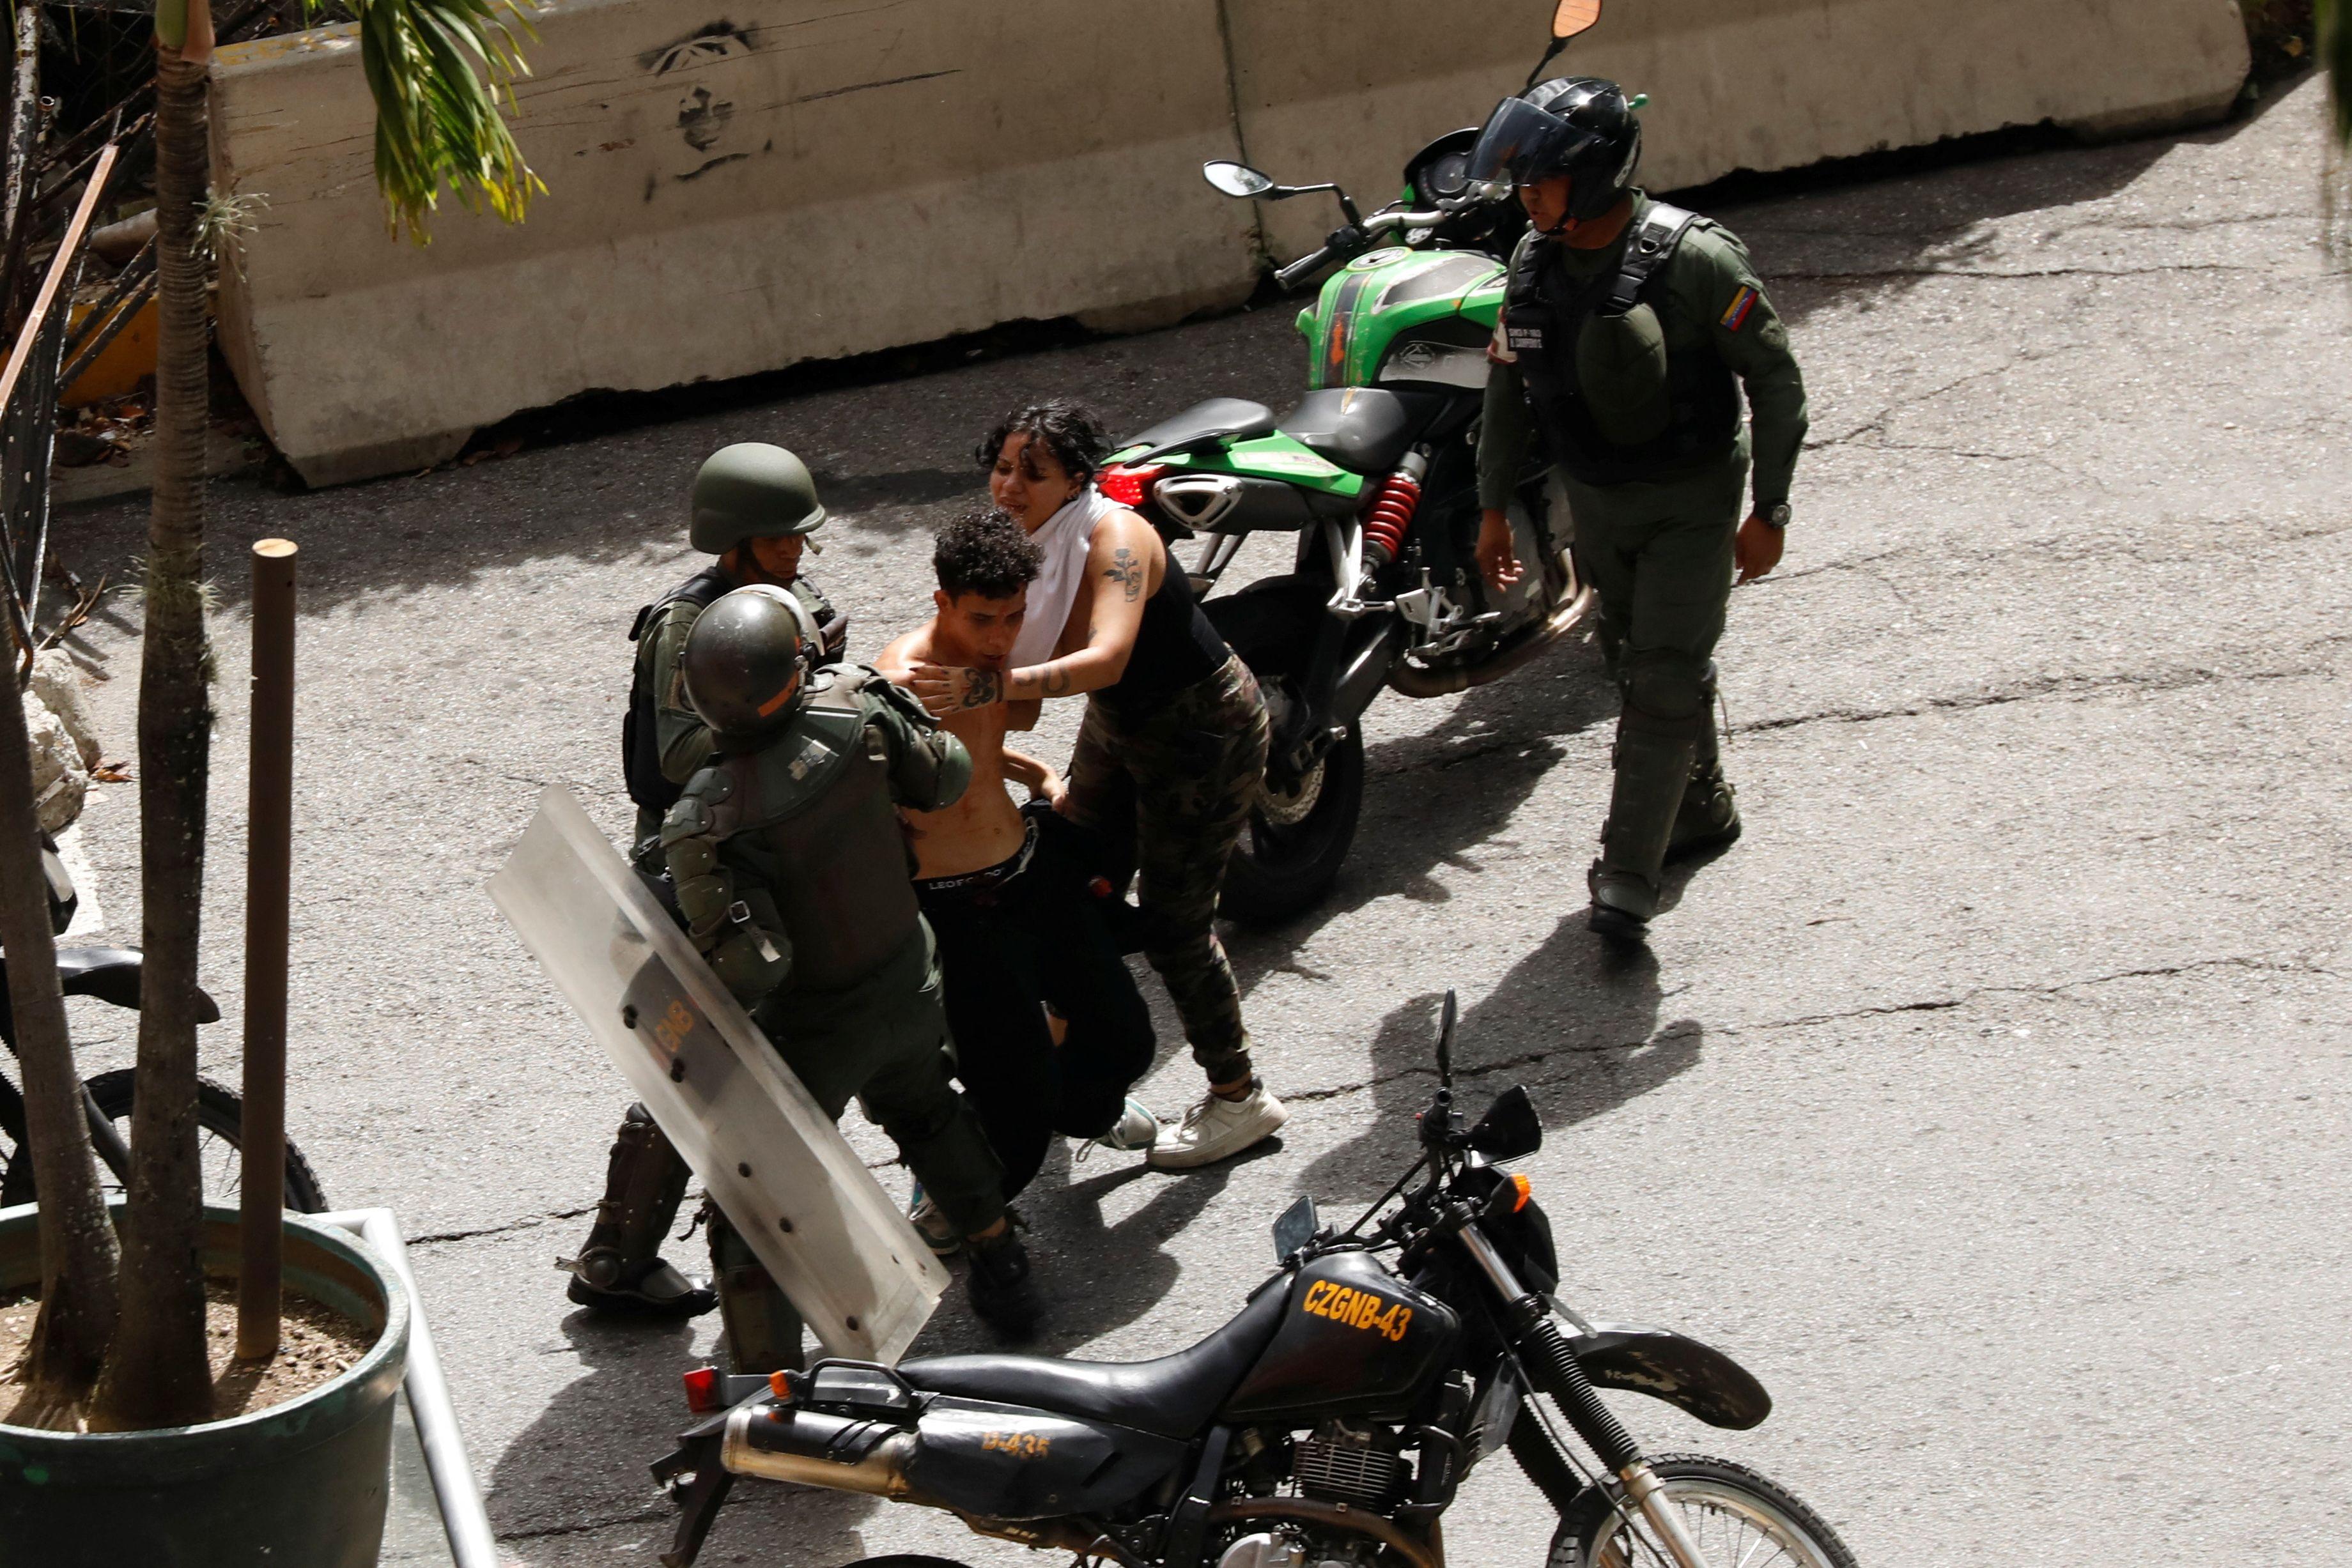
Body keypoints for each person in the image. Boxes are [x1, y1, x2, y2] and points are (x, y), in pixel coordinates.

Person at [1467, 77, 1809, 943]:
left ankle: (1627, 875)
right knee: (1639, 659)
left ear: (1593, 176)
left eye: (1540, 179)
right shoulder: (1533, 263)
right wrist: (1493, 506)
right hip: (1598, 506)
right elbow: (1509, 388)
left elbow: (1774, 381)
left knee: (1659, 676)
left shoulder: (1697, 260)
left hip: (1692, 501)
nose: (1525, 194)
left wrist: (1768, 507)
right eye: (1522, 180)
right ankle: (1701, 809)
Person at [904, 401, 1285, 1171]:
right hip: (1123, 725)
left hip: (1199, 733)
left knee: (1179, 926)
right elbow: (1022, 704)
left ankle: (1239, 1096)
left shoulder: (1115, 536)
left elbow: (1106, 656)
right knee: (1068, 867)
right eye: (1002, 466)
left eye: (1031, 472)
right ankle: (1084, 1073)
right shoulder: (1029, 544)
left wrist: (987, 689)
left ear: (1077, 478)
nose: (1008, 487)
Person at [662, 584, 1038, 1359]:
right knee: (929, 1113)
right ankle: (1007, 1267)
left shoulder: (705, 816)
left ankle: (769, 1376)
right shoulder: (860, 709)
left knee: (756, 1183)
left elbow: (749, 970)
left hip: (818, 1028)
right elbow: (945, 777)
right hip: (907, 973)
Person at [560, 442, 847, 1319]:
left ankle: (625, 1254)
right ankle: (618, 1255)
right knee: (698, 1064)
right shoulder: (684, 628)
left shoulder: (786, 598)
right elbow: (667, 762)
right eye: (782, 538)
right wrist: (792, 688)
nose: (800, 553)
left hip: (765, 849)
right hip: (695, 868)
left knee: (721, 1059)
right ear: (736, 539)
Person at [878, 509, 1160, 1247]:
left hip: (1031, 873)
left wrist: (1031, 775)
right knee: (1018, 1111)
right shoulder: (902, 684)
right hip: (957, 908)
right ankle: (956, 1198)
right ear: (941, 603)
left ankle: (1083, 1108)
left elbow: (989, 739)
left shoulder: (1001, 661)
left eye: (1013, 616)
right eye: (982, 619)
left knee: (1125, 1039)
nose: (1001, 638)